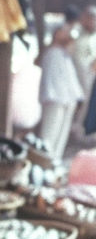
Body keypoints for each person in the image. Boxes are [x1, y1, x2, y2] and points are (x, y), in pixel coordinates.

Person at [38, 22, 84, 160]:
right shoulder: (51, 53)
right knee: (49, 135)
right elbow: (52, 80)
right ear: (56, 33)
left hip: (67, 100)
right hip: (55, 99)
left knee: (60, 137)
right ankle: (43, 163)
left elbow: (70, 79)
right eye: (64, 31)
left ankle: (53, 163)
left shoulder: (64, 54)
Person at [71, 5, 96, 137]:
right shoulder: (76, 33)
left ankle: (78, 127)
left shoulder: (92, 37)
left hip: (87, 75)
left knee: (84, 101)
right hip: (74, 74)